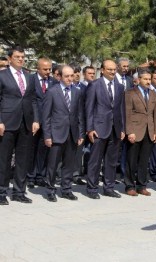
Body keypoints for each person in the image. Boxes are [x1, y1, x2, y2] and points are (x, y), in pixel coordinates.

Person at [0, 46, 39, 205]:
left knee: (23, 160)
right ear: (9, 59)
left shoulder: (29, 77)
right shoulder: (2, 76)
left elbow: (34, 100)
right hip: (7, 123)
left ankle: (19, 192)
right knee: (4, 159)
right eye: (17, 57)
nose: (21, 59)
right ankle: (2, 191)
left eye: (23, 57)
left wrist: (36, 119)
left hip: (26, 123)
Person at [42, 65, 85, 202]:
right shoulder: (52, 91)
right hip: (56, 134)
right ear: (59, 76)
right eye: (66, 76)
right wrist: (47, 135)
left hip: (72, 134)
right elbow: (46, 116)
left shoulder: (77, 92)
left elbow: (80, 115)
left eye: (72, 76)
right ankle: (50, 190)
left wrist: (80, 134)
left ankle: (66, 189)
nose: (70, 79)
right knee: (53, 164)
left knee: (69, 164)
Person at [85, 60, 125, 199]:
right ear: (102, 70)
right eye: (110, 69)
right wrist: (90, 129)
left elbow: (121, 109)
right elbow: (89, 108)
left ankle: (109, 187)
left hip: (115, 129)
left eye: (114, 69)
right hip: (98, 129)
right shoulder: (94, 85)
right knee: (95, 161)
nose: (113, 72)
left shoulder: (119, 87)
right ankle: (92, 188)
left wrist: (122, 128)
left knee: (111, 161)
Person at [124, 69, 156, 197]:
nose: (148, 81)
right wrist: (129, 131)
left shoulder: (153, 94)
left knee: (144, 161)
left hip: (149, 131)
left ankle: (142, 185)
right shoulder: (130, 93)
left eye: (149, 79)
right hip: (135, 130)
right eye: (145, 79)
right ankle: (129, 185)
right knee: (131, 160)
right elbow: (127, 113)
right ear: (138, 80)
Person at [27, 57, 57, 189]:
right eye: (45, 69)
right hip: (33, 121)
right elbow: (30, 100)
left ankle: (40, 175)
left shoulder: (54, 82)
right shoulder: (30, 80)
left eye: (49, 69)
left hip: (48, 122)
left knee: (43, 149)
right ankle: (30, 176)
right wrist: (36, 119)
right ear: (37, 68)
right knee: (31, 149)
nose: (48, 71)